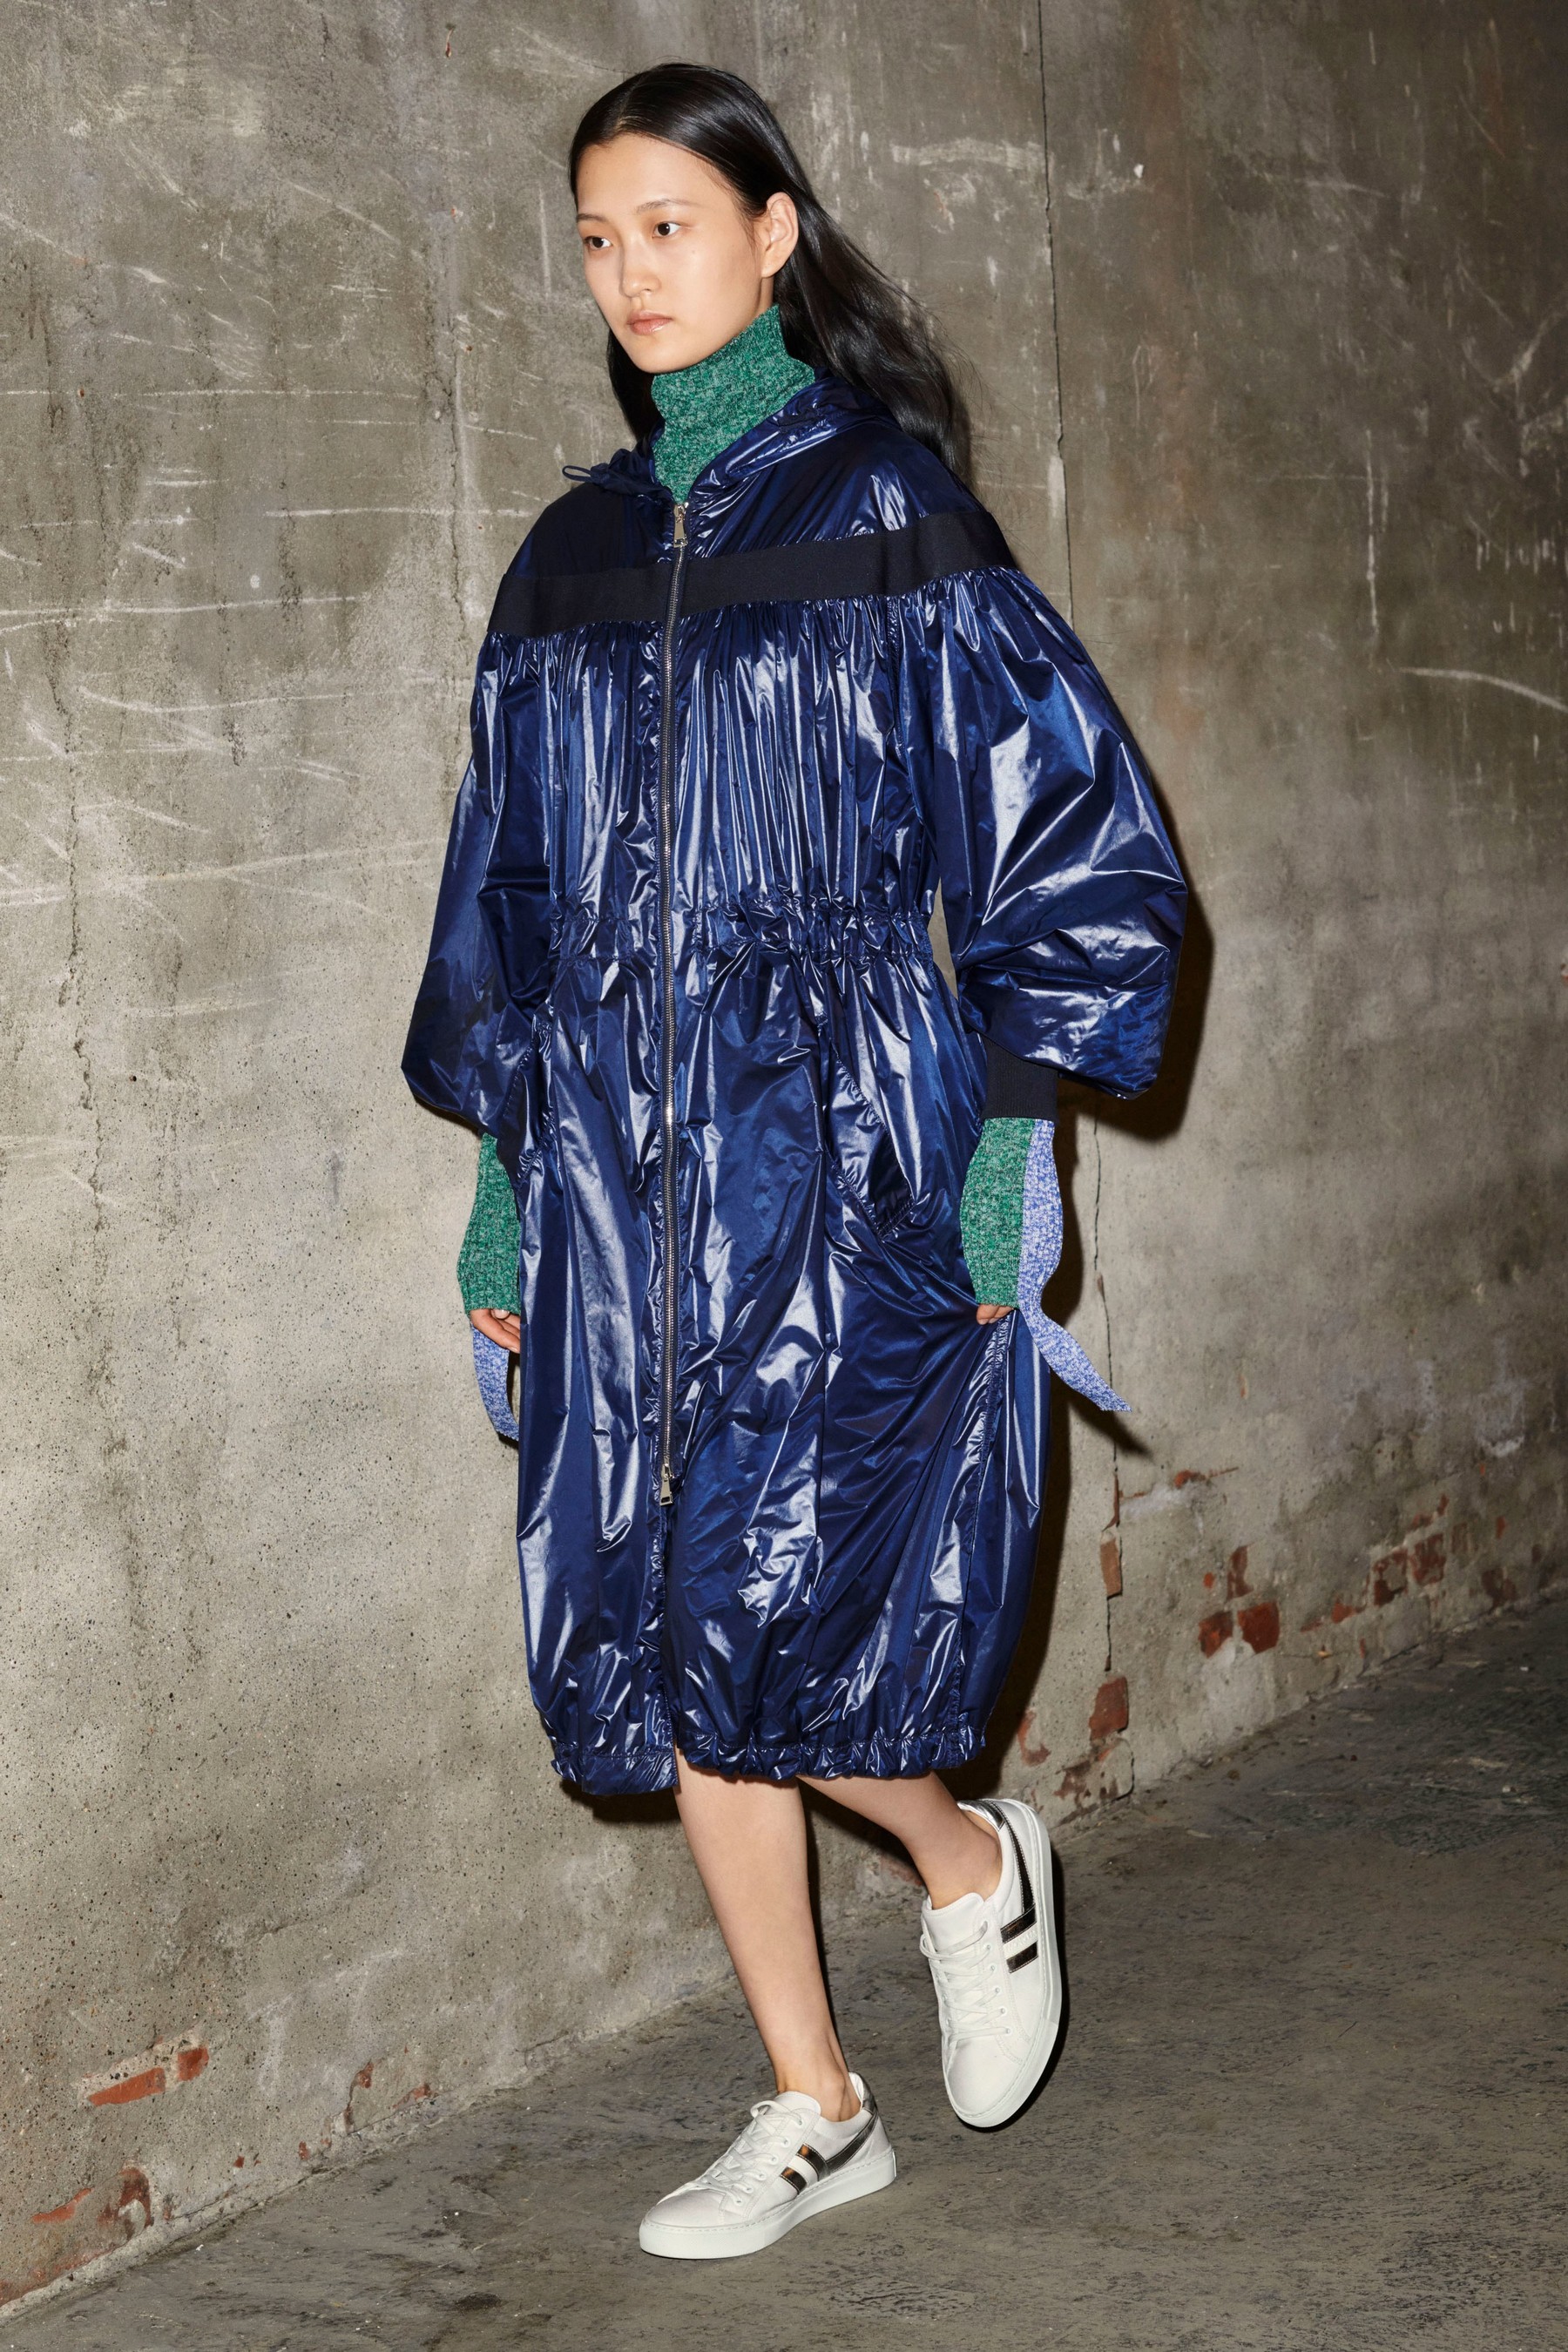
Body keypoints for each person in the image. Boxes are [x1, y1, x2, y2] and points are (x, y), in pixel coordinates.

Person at [403, 62, 1186, 2262]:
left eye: (669, 224)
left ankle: (964, 1860)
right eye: (596, 236)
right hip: (610, 1167)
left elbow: (1070, 840)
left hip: (841, 1144)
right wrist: (501, 1194)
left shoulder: (891, 514)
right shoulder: (565, 558)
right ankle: (814, 2103)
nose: (629, 272)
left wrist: (1015, 1142)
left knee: (795, 1620)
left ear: (773, 234)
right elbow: (503, 906)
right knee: (666, 1632)